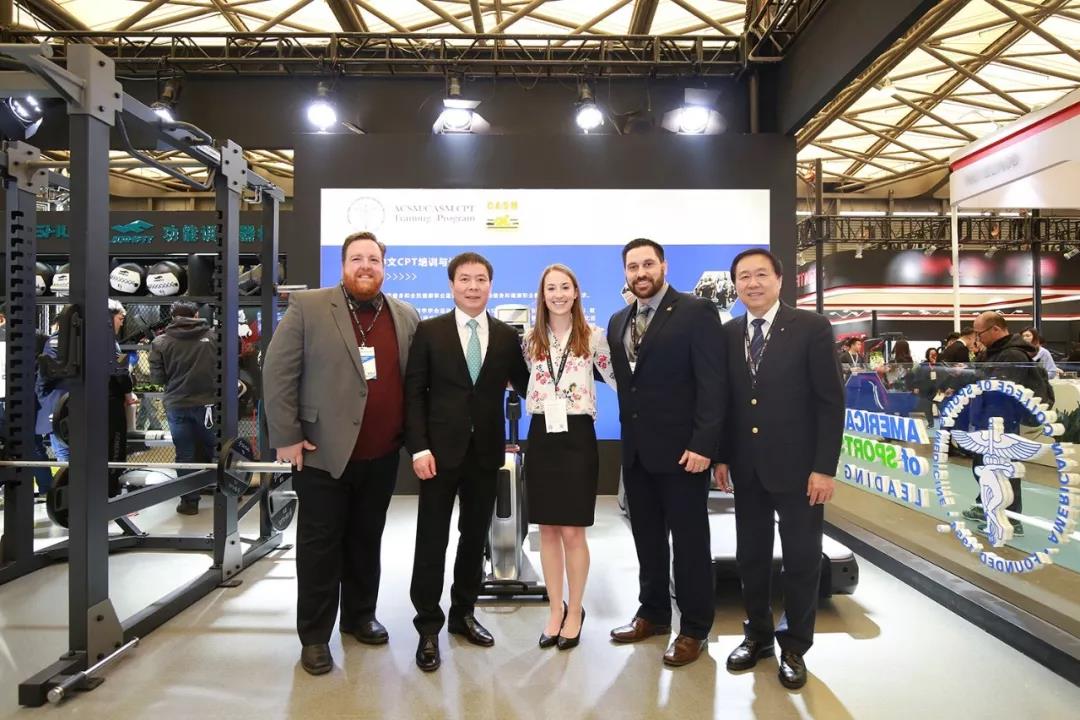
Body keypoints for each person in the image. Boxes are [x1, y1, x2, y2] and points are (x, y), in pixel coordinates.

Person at [264, 231, 420, 676]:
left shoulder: (405, 315)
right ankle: (315, 637)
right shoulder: (309, 307)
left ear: (384, 266)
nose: (365, 266)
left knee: (366, 540)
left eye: (373, 259)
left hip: (382, 454)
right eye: (357, 258)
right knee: (320, 547)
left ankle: (359, 616)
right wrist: (286, 436)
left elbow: (413, 382)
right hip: (322, 453)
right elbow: (278, 373)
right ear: (343, 264)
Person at [713, 248, 844, 691]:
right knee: (751, 558)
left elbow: (830, 403)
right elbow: (728, 402)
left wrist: (824, 468)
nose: (752, 284)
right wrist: (723, 456)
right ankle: (758, 636)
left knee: (802, 559)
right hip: (747, 469)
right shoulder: (728, 333)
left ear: (779, 280)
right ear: (735, 284)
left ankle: (794, 646)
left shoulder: (811, 327)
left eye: (761, 275)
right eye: (744, 277)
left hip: (800, 471)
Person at [404, 252, 529, 672]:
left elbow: (529, 385)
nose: (473, 287)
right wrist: (419, 448)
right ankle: (427, 626)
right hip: (437, 455)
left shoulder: (507, 337)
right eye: (464, 279)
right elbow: (413, 394)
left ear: (490, 285)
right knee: (431, 540)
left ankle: (463, 614)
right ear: (451, 285)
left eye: (480, 279)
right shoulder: (429, 331)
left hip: (486, 454)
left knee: (474, 539)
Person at [606, 238, 725, 668]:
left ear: (664, 266)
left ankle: (694, 628)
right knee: (647, 539)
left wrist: (704, 444)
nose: (641, 273)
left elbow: (713, 383)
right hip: (638, 454)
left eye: (648, 264)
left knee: (690, 543)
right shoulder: (618, 320)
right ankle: (653, 613)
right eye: (632, 266)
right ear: (625, 272)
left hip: (683, 454)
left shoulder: (696, 311)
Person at [522, 264, 616, 651]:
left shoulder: (594, 337)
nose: (558, 294)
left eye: (565, 287)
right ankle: (554, 610)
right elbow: (526, 381)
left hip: (577, 436)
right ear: (542, 295)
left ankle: (575, 610)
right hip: (542, 434)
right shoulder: (530, 340)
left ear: (576, 292)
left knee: (573, 532)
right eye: (551, 288)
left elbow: (619, 379)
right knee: (546, 529)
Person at [960, 312, 1055, 540]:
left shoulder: (1012, 354)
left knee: (1003, 469)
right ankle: (985, 504)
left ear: (995, 329)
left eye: (980, 333)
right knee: (983, 466)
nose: (978, 338)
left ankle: (1011, 518)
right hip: (987, 419)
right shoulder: (994, 352)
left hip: (1002, 422)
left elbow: (1001, 388)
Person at [149, 301, 217, 516]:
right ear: (196, 314)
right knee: (216, 449)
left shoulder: (160, 342)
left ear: (172, 317)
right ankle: (225, 493)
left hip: (177, 404)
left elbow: (157, 378)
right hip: (208, 404)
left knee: (185, 454)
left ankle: (189, 502)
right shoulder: (214, 337)